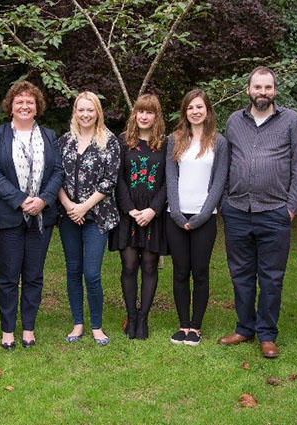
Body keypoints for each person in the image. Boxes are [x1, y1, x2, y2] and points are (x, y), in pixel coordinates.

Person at [218, 66, 297, 358]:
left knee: (271, 277)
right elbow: (225, 163)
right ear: (248, 90)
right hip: (237, 211)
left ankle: (267, 334)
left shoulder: (291, 121)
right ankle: (245, 328)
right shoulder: (234, 121)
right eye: (257, 87)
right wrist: (223, 202)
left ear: (275, 91)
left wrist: (291, 207)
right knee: (241, 274)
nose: (262, 93)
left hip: (274, 212)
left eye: (268, 87)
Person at [0, 81, 63, 350]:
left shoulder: (50, 136)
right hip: (8, 217)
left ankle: (28, 328)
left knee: (34, 275)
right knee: (8, 276)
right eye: (19, 101)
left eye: (30, 102)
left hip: (41, 218)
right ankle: (8, 330)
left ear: (37, 107)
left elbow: (57, 172)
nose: (24, 106)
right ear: (11, 106)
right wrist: (21, 201)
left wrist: (43, 200)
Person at [165, 89, 229, 346]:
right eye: (190, 107)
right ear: (185, 112)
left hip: (205, 217)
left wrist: (203, 215)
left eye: (200, 107)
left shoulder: (218, 142)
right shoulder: (175, 139)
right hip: (177, 216)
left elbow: (219, 181)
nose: (195, 111)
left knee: (200, 272)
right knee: (180, 272)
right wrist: (178, 214)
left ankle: (196, 327)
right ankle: (183, 325)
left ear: (208, 111)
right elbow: (171, 177)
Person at [58, 91, 120, 346]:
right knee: (73, 271)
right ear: (75, 112)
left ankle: (96, 324)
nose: (85, 115)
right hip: (68, 216)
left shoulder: (109, 141)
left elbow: (110, 180)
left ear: (97, 112)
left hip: (98, 216)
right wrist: (70, 206)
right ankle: (78, 323)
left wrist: (83, 207)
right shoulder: (64, 142)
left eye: (90, 110)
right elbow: (55, 177)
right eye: (80, 110)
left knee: (92, 273)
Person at [108, 94, 168, 340]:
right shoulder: (123, 141)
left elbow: (168, 181)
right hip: (128, 214)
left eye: (149, 112)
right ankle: (131, 316)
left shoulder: (166, 144)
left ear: (156, 116)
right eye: (140, 111)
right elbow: (118, 178)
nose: (144, 116)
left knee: (150, 266)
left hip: (154, 214)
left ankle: (143, 319)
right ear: (135, 114)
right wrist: (130, 209)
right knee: (129, 265)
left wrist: (153, 209)